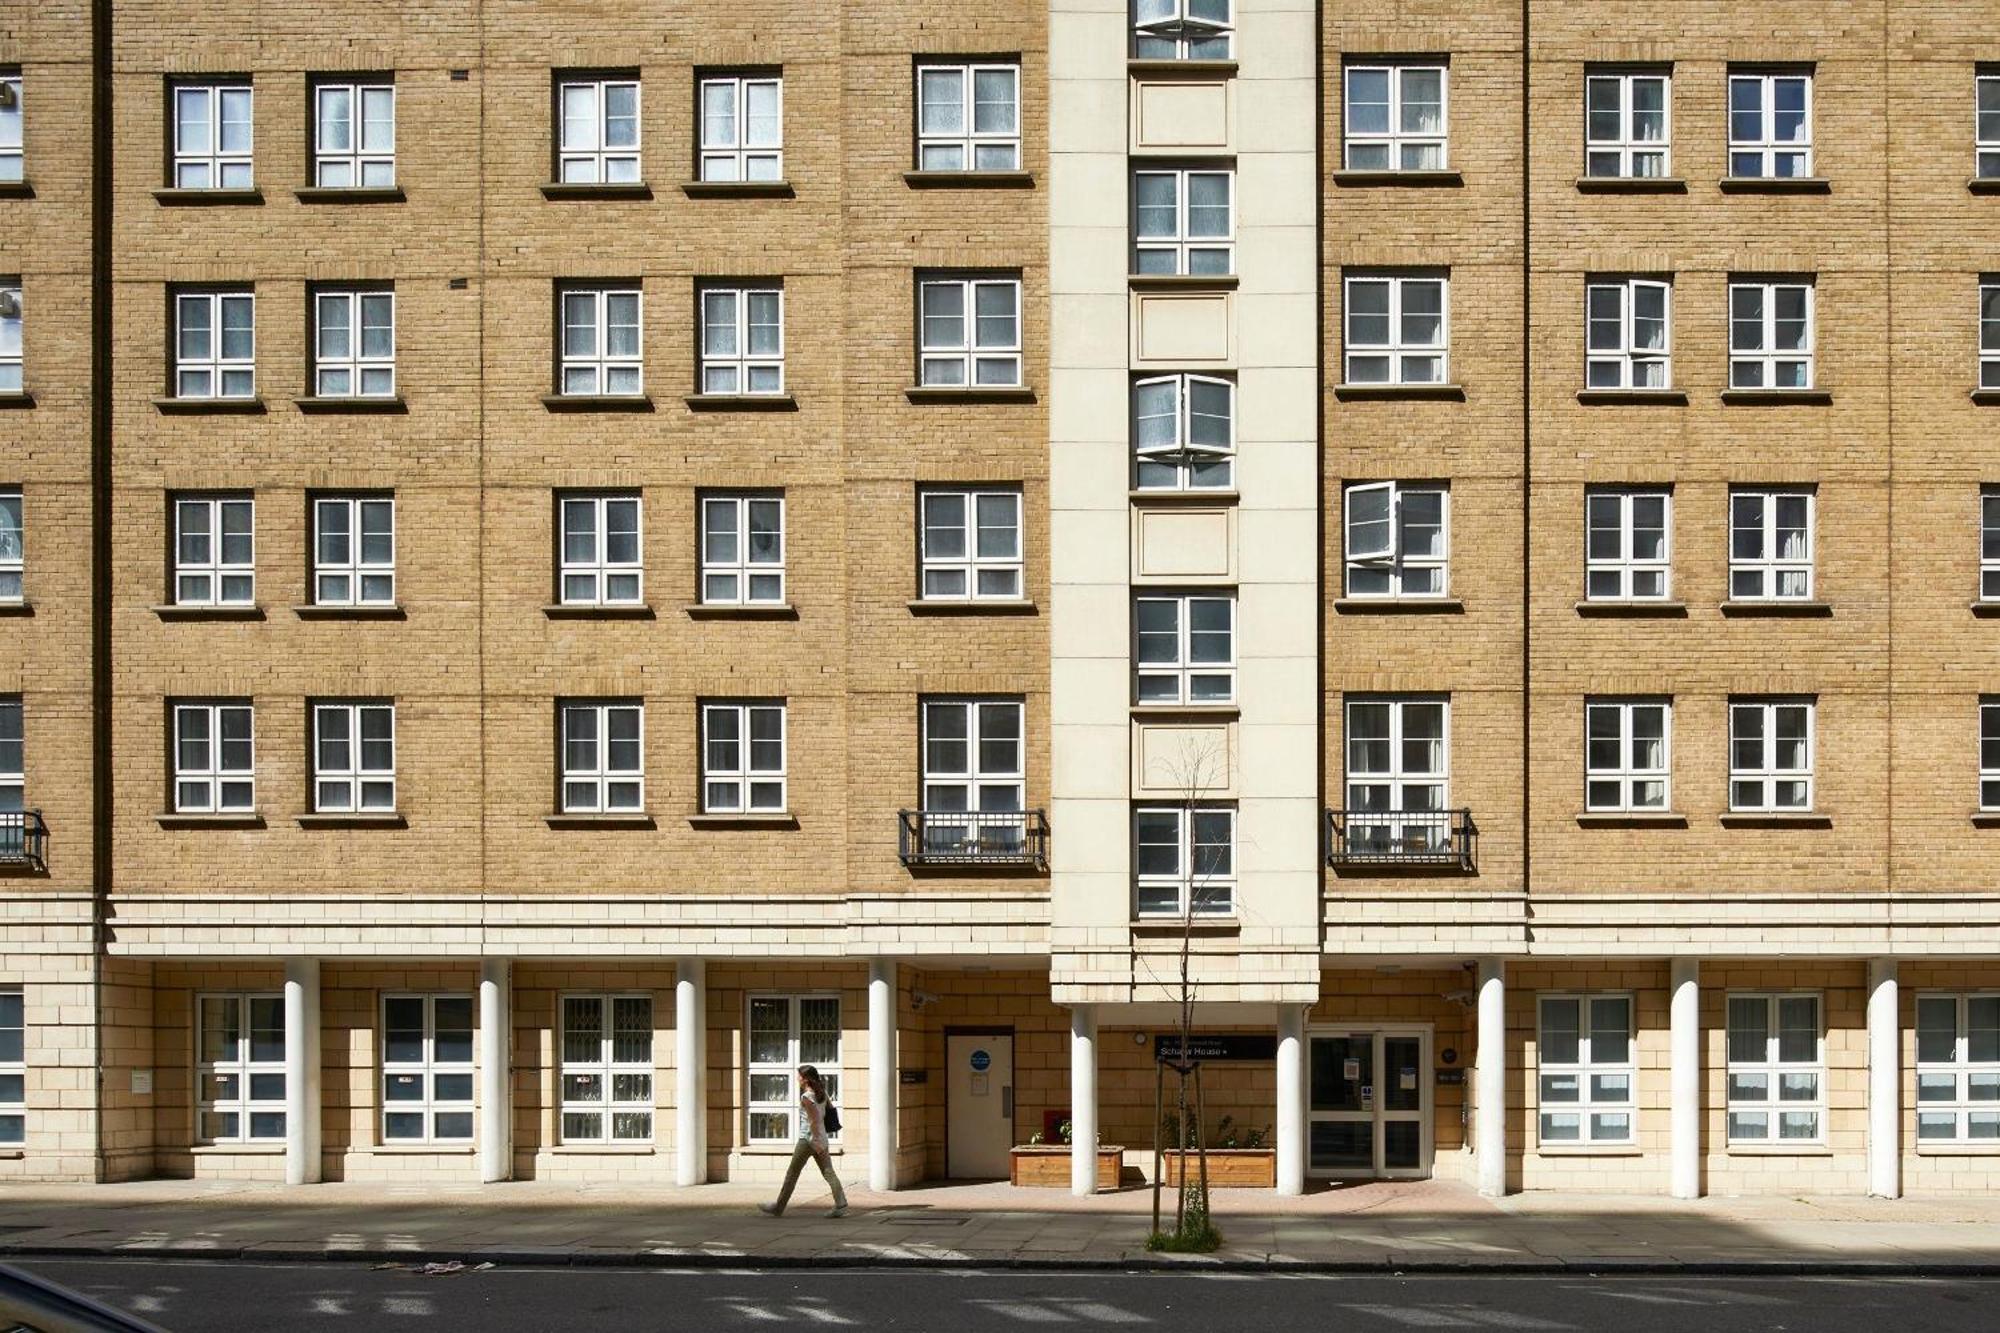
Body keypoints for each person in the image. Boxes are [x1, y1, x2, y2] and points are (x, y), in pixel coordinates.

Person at [758, 1064, 849, 1218]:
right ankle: (841, 1204)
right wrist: (821, 1141)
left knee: (792, 1174)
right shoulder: (822, 1094)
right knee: (828, 1172)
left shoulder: (806, 1097)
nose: (797, 1078)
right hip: (822, 1139)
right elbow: (830, 1111)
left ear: (806, 1079)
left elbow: (814, 1121)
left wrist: (815, 1142)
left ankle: (778, 1208)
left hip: (808, 1140)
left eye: (799, 1076)